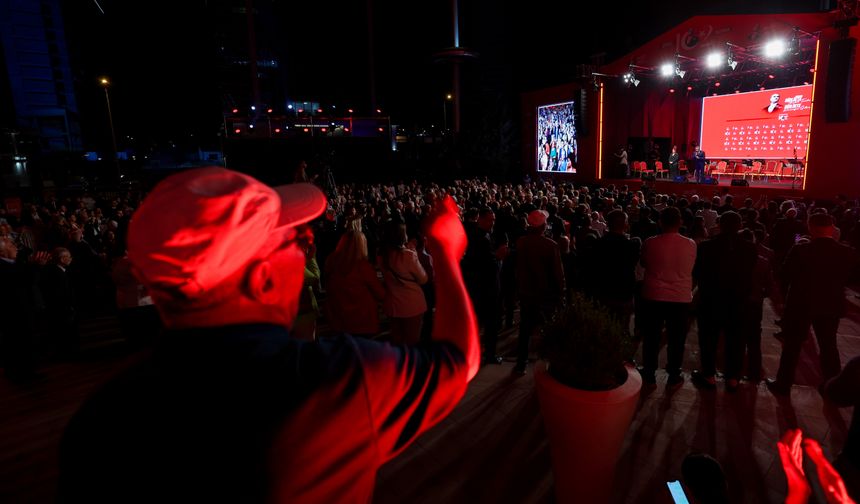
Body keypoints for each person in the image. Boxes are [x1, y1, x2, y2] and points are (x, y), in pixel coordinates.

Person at [57, 167, 480, 503]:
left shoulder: (97, 420)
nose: (307, 244)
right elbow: (460, 362)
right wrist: (445, 250)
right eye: (294, 241)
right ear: (260, 280)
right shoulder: (334, 381)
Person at [767, 213, 860, 395]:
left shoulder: (801, 250)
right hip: (830, 305)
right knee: (828, 347)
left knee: (792, 347)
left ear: (810, 227)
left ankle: (783, 385)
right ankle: (832, 387)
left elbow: (784, 274)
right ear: (832, 228)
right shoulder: (847, 252)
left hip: (801, 304)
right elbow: (853, 278)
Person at [691, 212, 757, 391]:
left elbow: (696, 273)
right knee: (736, 341)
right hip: (738, 302)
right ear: (740, 225)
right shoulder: (750, 248)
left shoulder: (706, 247)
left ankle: (709, 375)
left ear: (720, 225)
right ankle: (733, 378)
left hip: (711, 300)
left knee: (708, 339)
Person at [639, 207, 697, 387]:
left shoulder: (650, 243)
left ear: (660, 222)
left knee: (651, 337)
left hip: (654, 295)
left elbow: (644, 263)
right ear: (680, 223)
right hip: (680, 299)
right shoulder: (690, 244)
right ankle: (673, 374)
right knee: (677, 339)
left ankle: (649, 373)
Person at [513, 209, 565, 375]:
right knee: (549, 330)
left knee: (525, 329)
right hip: (545, 294)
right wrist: (560, 293)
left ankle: (521, 364)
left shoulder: (521, 242)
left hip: (526, 292)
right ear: (543, 226)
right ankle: (550, 366)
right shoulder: (551, 245)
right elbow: (558, 274)